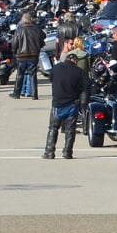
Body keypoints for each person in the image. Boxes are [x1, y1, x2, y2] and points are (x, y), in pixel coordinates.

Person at [43, 28, 88, 160]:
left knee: (53, 128)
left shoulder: (56, 68)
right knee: (70, 130)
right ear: (75, 61)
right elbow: (86, 86)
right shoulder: (79, 71)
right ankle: (67, 152)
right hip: (71, 105)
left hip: (57, 103)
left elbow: (51, 78)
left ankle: (49, 152)